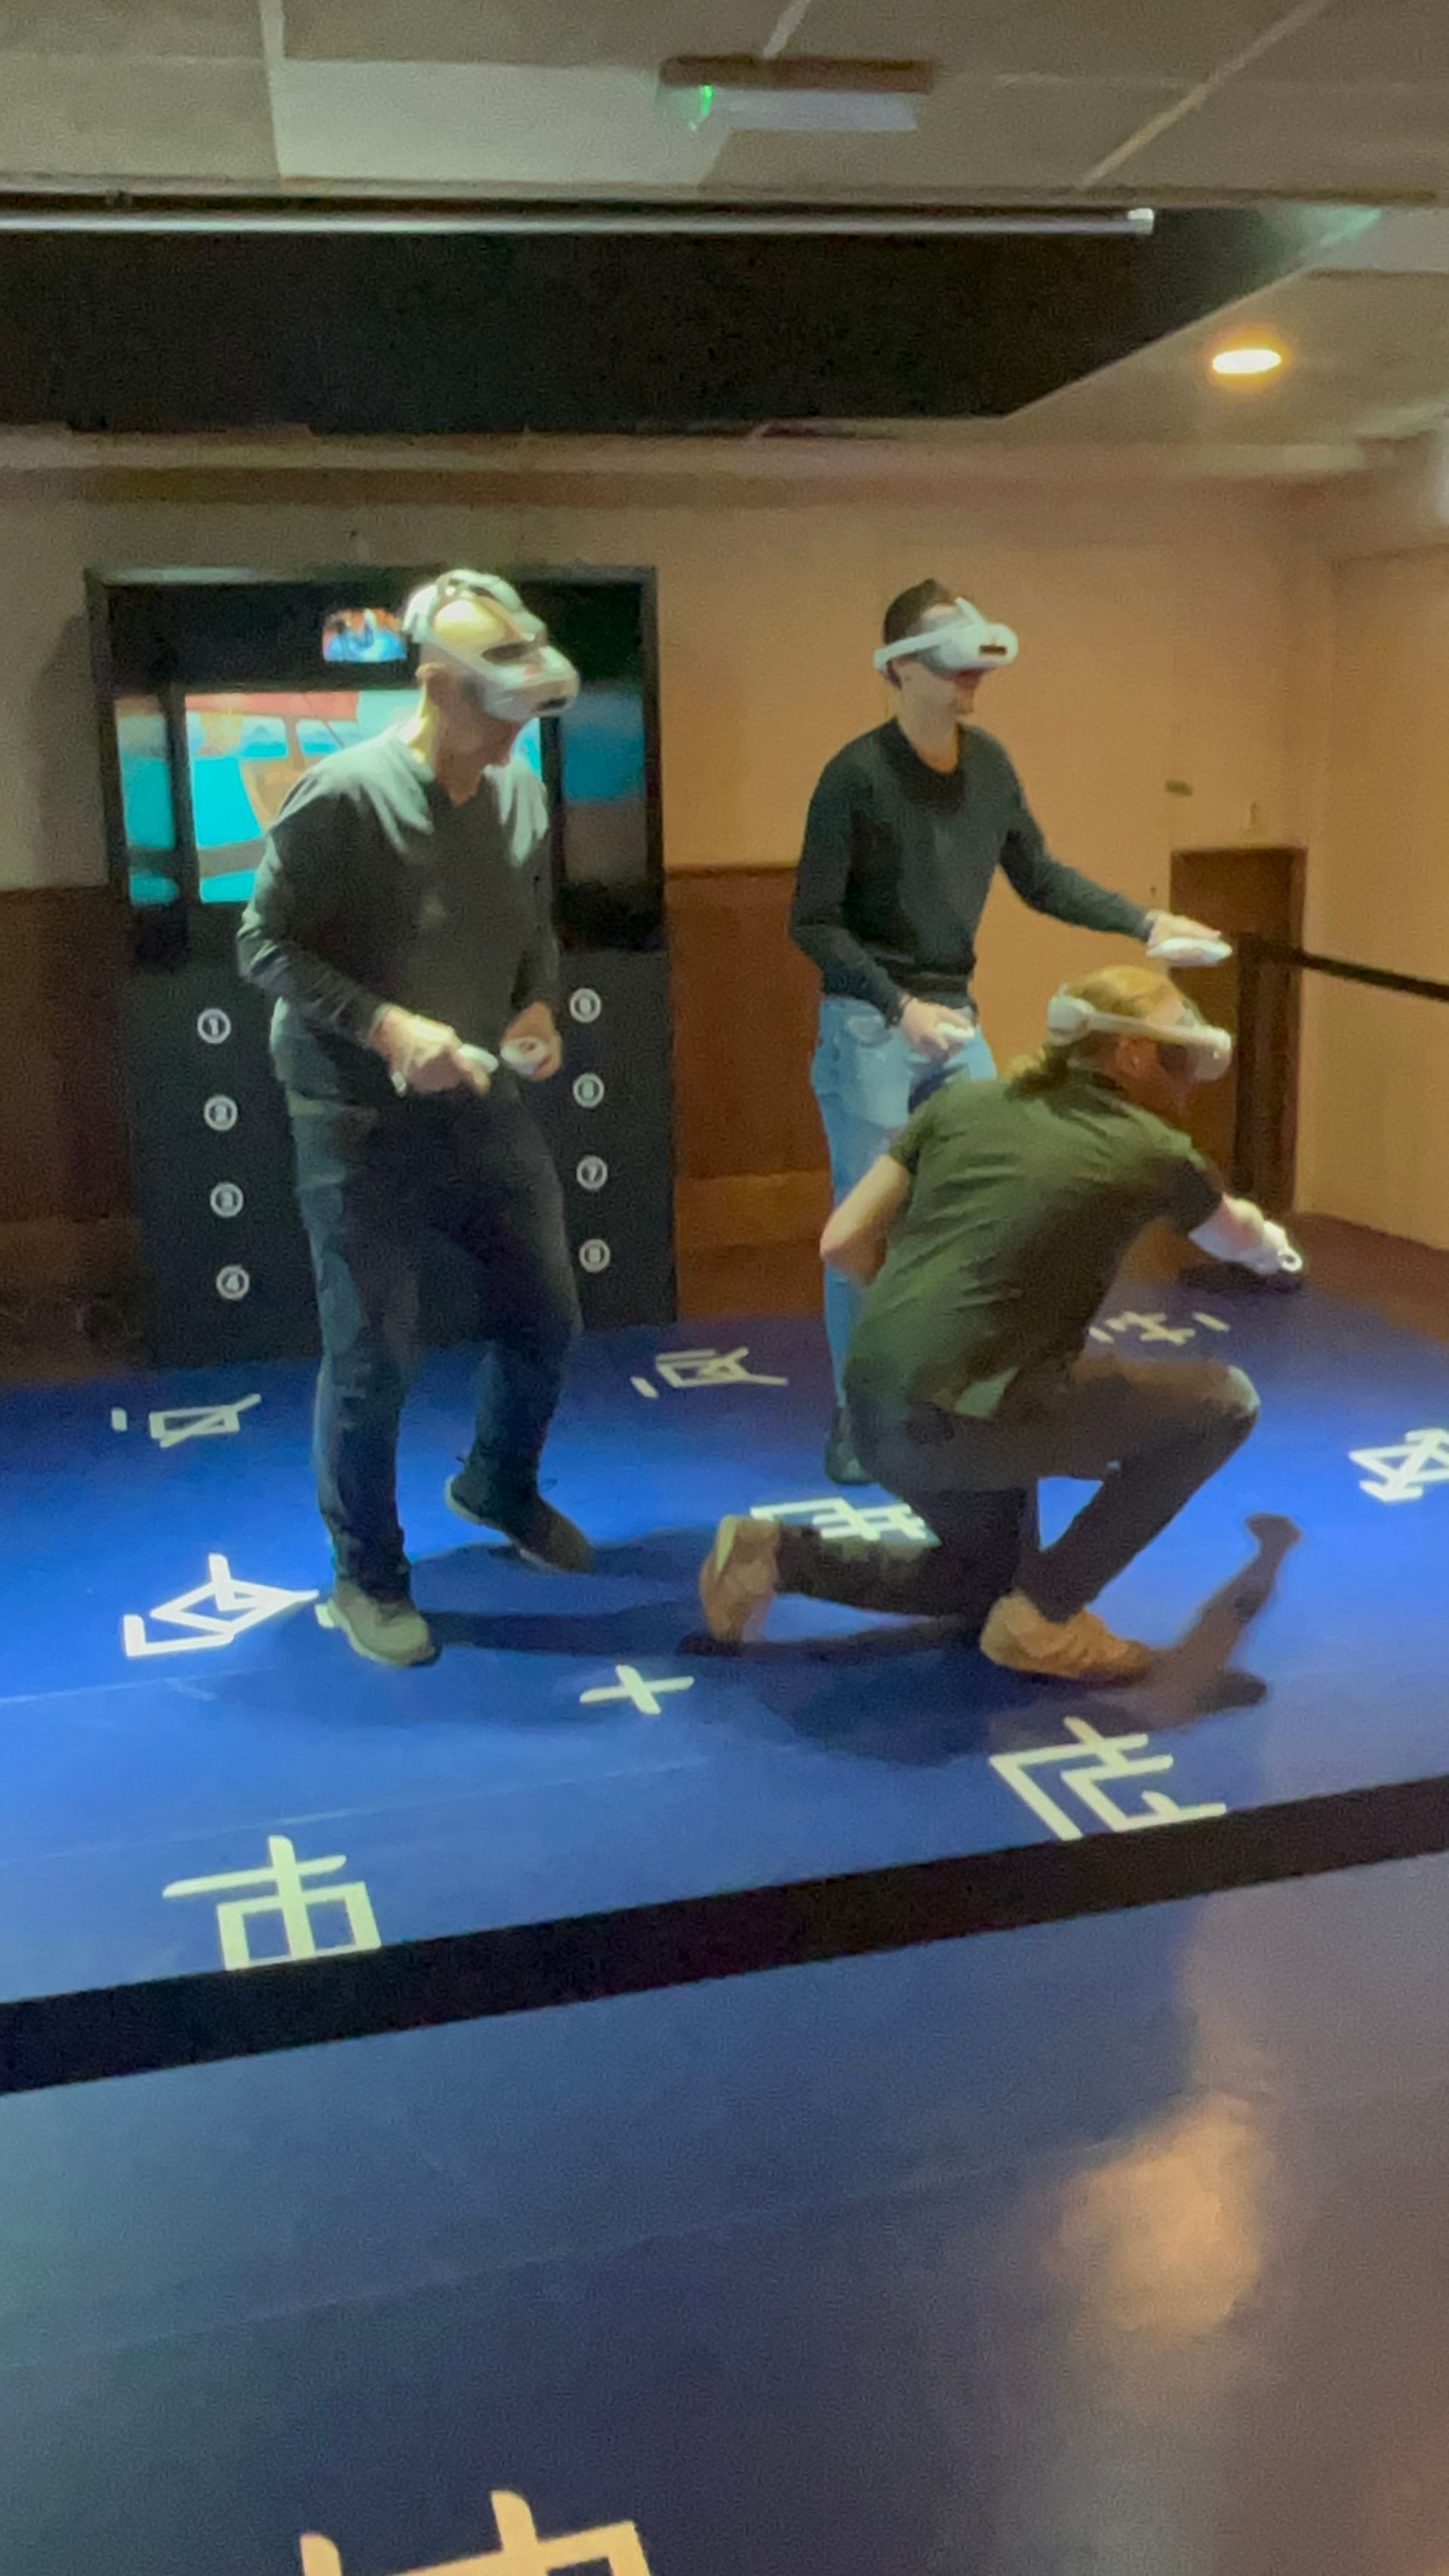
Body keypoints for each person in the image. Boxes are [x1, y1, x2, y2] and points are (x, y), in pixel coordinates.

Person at [699, 965, 1302, 1687]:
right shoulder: (1150, 1148)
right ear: (1131, 1054)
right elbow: (1236, 1237)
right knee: (1226, 1403)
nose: (1188, 1083)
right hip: (973, 1414)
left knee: (987, 1579)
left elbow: (841, 1241)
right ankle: (1047, 1616)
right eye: (1179, 1060)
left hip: (871, 1405)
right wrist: (1273, 1247)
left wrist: (938, 1322)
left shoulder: (963, 1105)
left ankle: (775, 1557)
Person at [791, 578, 1227, 1484]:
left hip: (957, 1018)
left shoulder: (987, 765)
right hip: (871, 1026)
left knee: (987, 1198)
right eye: (950, 662)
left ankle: (962, 1392)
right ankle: (857, 1419)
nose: (971, 679)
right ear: (901, 669)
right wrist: (896, 1005)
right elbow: (814, 922)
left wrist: (1144, 923)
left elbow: (1040, 875)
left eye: (975, 662)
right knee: (865, 1220)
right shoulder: (855, 775)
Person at [238, 568, 592, 1671]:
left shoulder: (520, 792)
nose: (518, 732)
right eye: (502, 707)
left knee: (546, 1315)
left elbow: (532, 928)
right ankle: (368, 1572)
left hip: (480, 1099)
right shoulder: (346, 795)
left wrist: (535, 1005)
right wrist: (389, 1029)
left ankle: (497, 1483)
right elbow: (263, 944)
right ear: (438, 687)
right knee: (374, 1354)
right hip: (353, 1114)